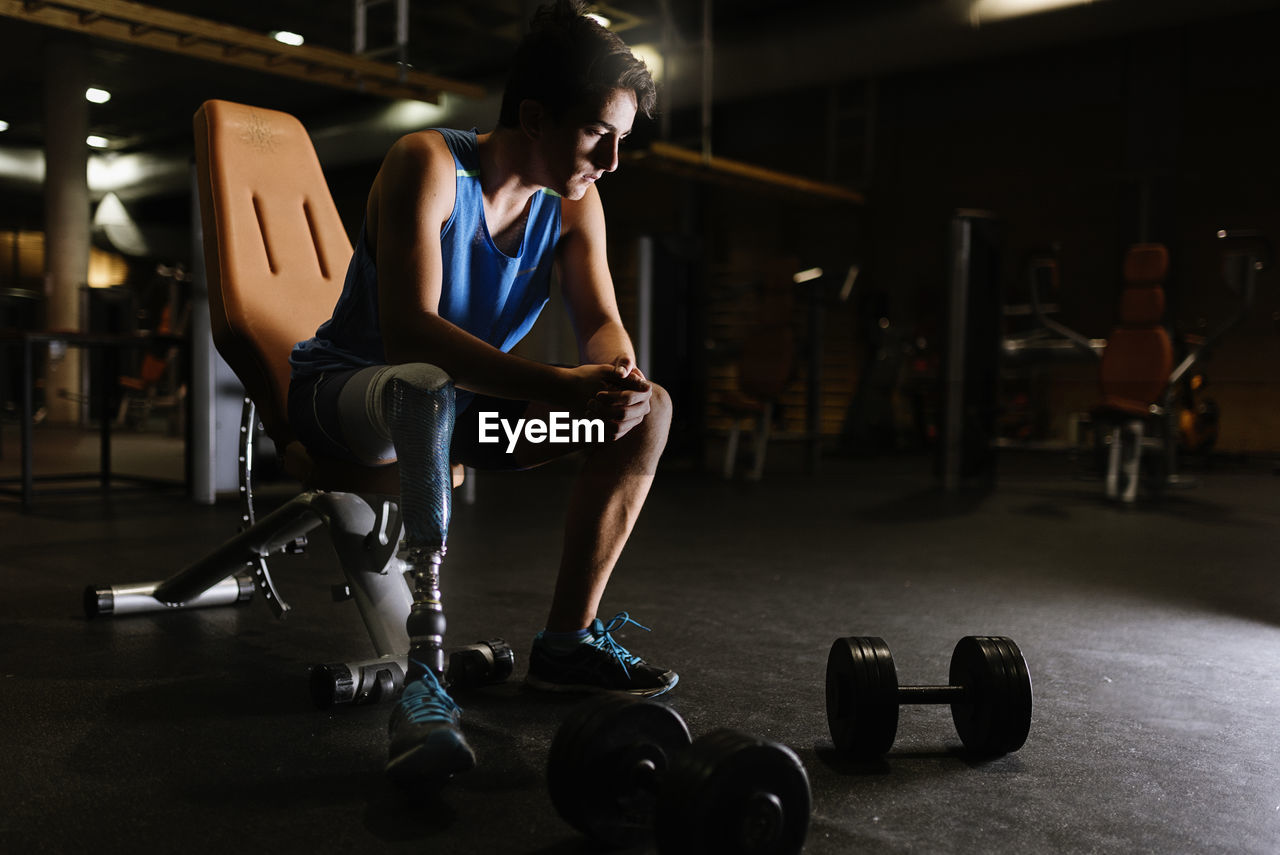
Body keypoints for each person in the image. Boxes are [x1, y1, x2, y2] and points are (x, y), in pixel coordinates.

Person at [286, 0, 675, 784]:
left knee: (651, 411)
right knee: (424, 384)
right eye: (601, 134)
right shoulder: (427, 165)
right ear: (534, 116)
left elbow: (601, 319)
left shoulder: (573, 205)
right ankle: (424, 678)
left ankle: (568, 640)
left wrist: (617, 376)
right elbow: (410, 336)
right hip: (348, 396)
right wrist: (558, 386)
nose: (612, 160)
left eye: (623, 141)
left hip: (451, 412)